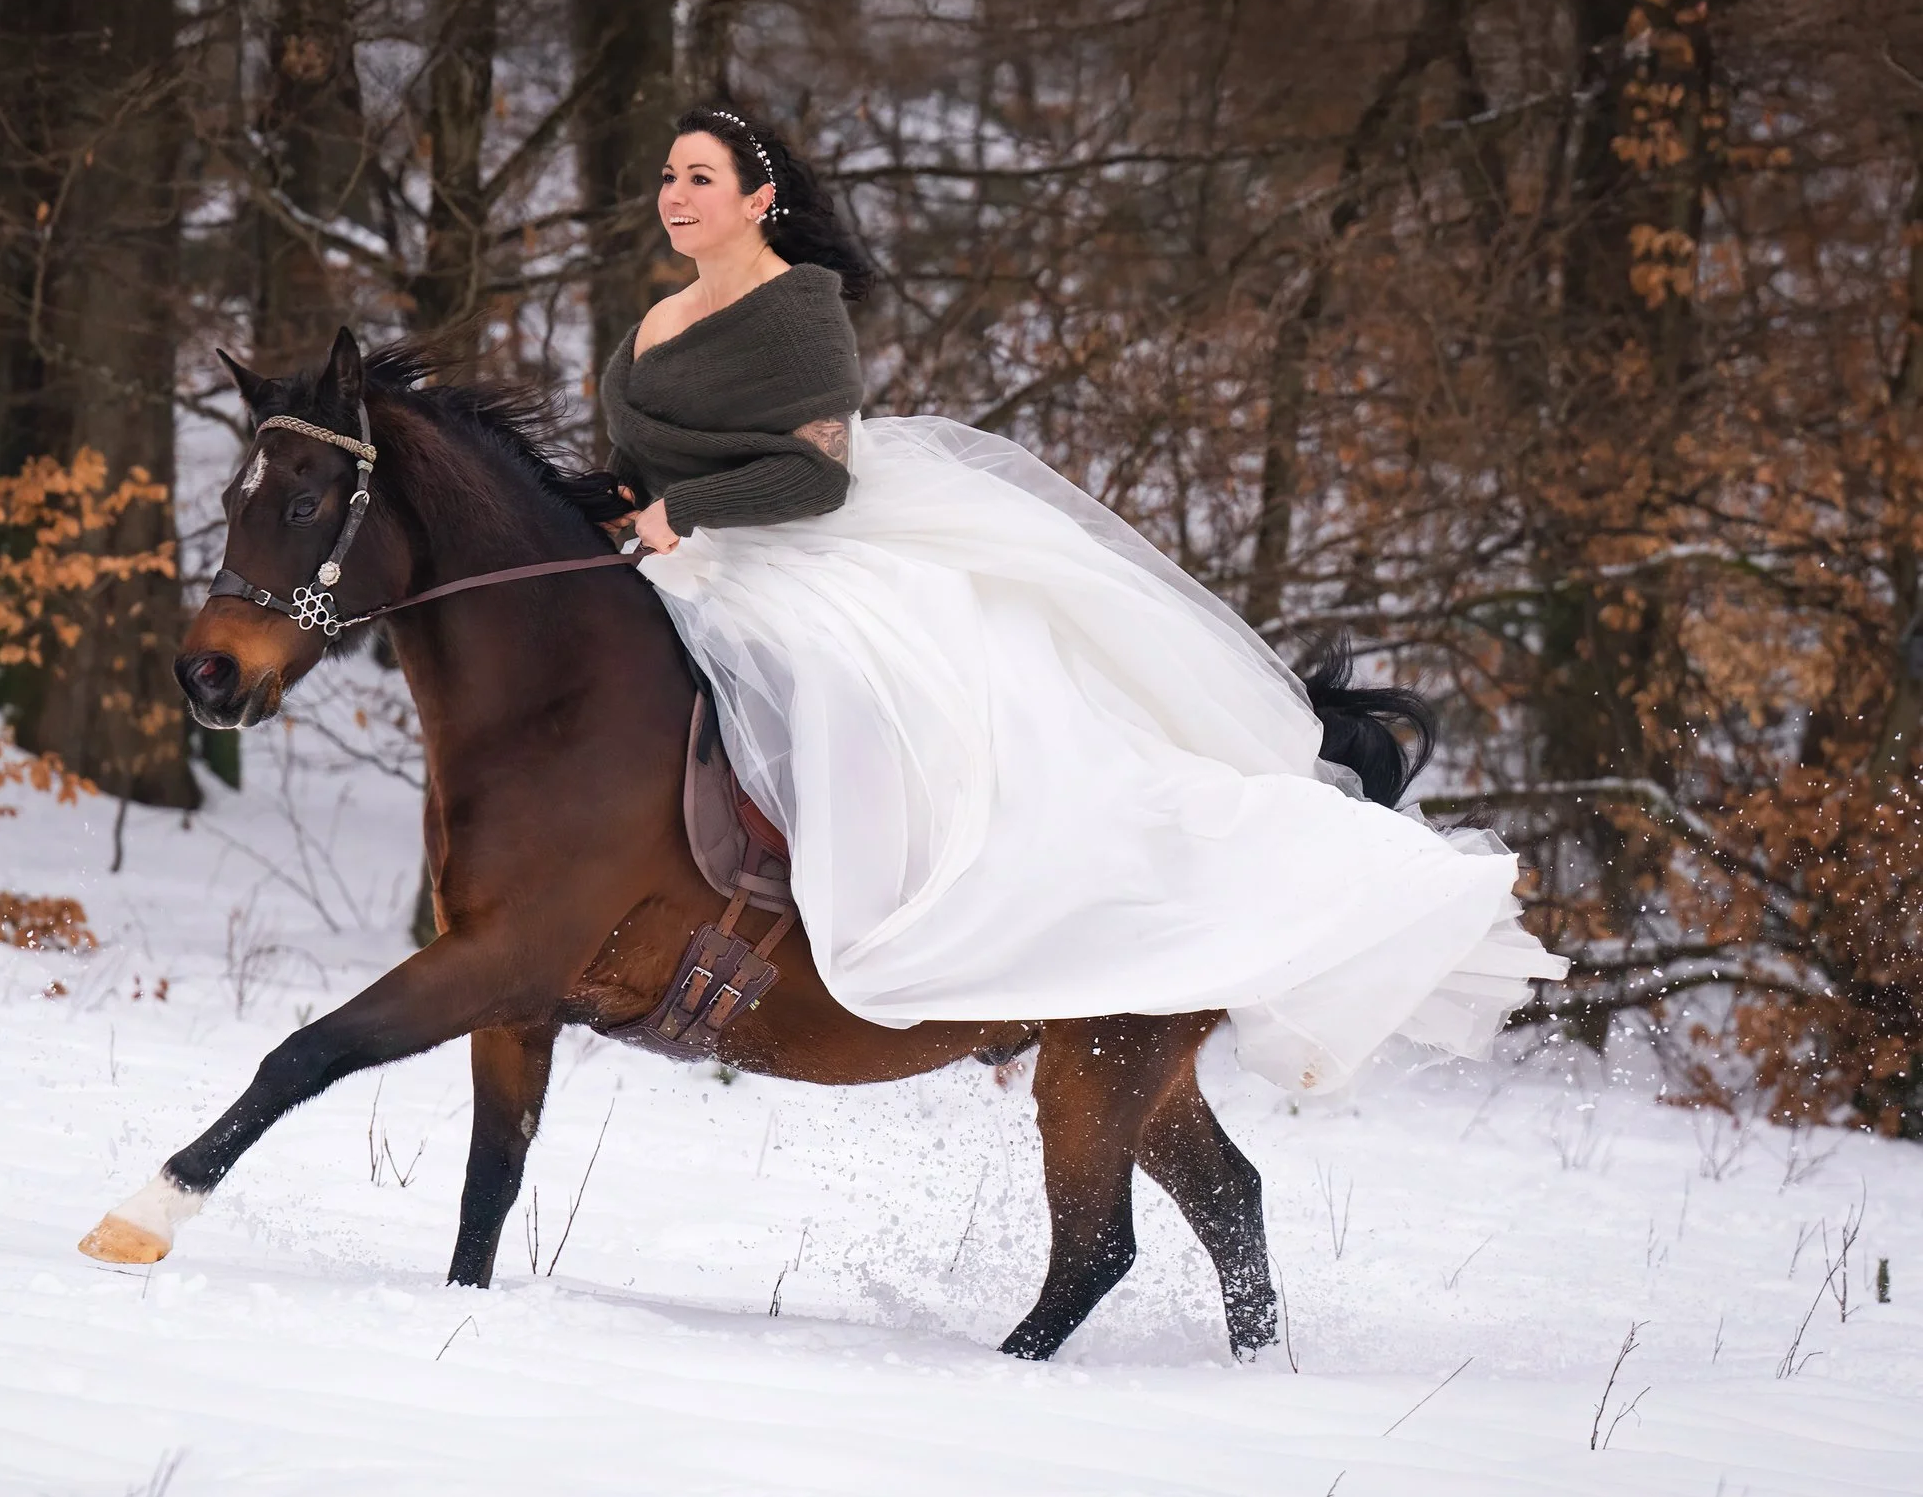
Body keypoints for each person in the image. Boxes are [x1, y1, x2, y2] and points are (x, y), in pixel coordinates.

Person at [600, 106, 1566, 1094]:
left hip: (805, 551)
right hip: (693, 555)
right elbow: (643, 465)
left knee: (844, 684)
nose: (675, 195)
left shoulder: (797, 309)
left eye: (701, 178)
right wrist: (616, 503)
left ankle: (892, 908)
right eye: (669, 176)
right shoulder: (659, 320)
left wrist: (691, 506)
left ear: (758, 200)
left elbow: (819, 477)